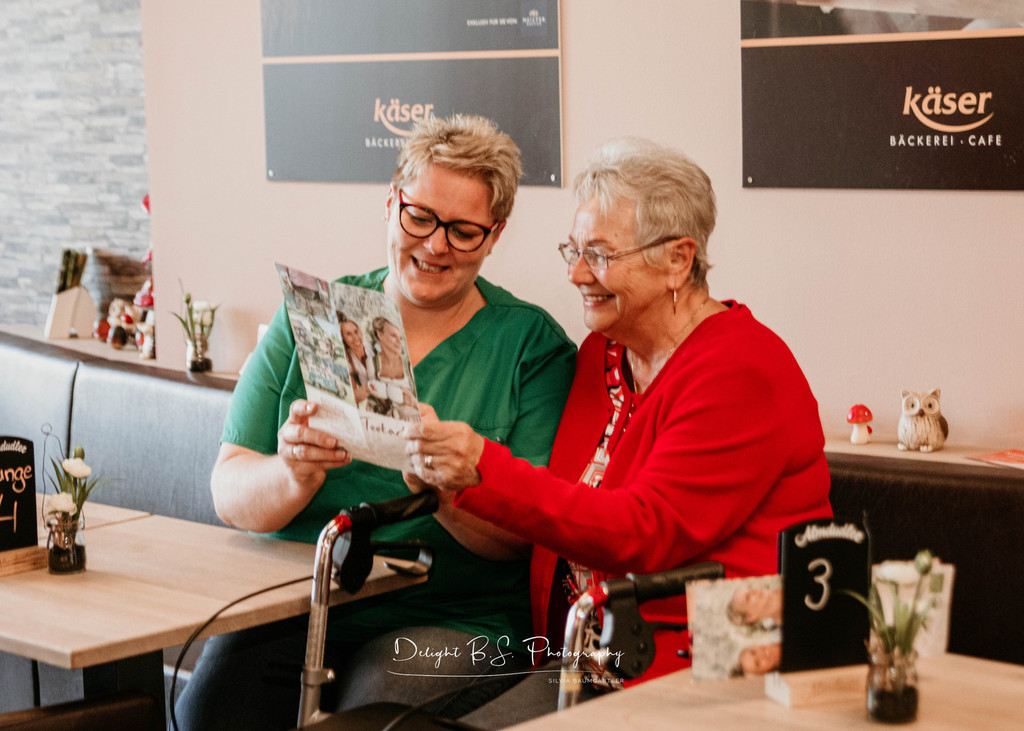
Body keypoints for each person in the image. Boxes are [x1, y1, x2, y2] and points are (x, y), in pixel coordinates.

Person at [404, 137, 833, 727]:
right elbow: (566, 508)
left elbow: (643, 531)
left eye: (600, 254)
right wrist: (447, 480)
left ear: (678, 259)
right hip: (589, 659)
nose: (577, 273)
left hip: (713, 670)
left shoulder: (742, 369)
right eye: (574, 250)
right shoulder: (599, 353)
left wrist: (483, 465)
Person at [174, 115, 576, 730]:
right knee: (208, 714)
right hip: (297, 604)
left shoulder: (531, 347)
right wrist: (292, 475)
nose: (435, 245)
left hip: (452, 620)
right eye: (420, 217)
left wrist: (446, 491)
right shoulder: (311, 318)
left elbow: (525, 536)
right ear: (391, 204)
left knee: (369, 717)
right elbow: (230, 493)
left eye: (463, 231)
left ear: (494, 236)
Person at [339, 317, 371, 407]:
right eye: (349, 334)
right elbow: (354, 396)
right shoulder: (348, 362)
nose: (355, 338)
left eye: (356, 332)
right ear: (343, 338)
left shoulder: (374, 350)